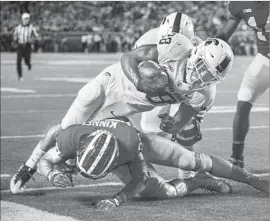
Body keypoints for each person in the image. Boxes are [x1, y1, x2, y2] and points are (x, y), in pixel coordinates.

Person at [10, 27, 234, 190]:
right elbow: (129, 57)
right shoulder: (175, 48)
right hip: (113, 83)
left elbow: (179, 123)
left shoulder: (203, 93)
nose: (201, 76)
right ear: (196, 53)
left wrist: (172, 124)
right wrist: (139, 81)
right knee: (68, 126)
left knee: (89, 139)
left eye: (209, 76)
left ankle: (188, 177)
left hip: (124, 109)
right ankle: (29, 165)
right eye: (203, 68)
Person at [10, 117, 268, 211]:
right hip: (111, 144)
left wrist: (116, 200)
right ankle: (196, 182)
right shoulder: (71, 138)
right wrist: (52, 175)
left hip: (138, 143)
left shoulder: (131, 147)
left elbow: (140, 178)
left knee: (188, 161)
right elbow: (48, 158)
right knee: (160, 193)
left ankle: (236, 178)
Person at [134, 12, 212, 179]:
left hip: (183, 90)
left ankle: (187, 173)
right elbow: (134, 64)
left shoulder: (200, 47)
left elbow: (207, 83)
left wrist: (199, 107)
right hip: (157, 88)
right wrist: (141, 85)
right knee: (152, 133)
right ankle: (141, 171)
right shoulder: (147, 40)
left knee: (187, 128)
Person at [215, 1, 269, 167]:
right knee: (244, 98)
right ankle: (236, 158)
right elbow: (224, 33)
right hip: (265, 59)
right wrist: (212, 43)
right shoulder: (240, 4)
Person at [13, 13, 40, 81]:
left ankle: (29, 64)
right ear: (22, 19)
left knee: (26, 60)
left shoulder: (31, 27)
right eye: (25, 19)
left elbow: (36, 36)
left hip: (28, 46)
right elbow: (15, 35)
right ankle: (20, 76)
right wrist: (15, 41)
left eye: (27, 19)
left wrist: (35, 40)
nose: (26, 20)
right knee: (18, 61)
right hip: (20, 45)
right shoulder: (18, 27)